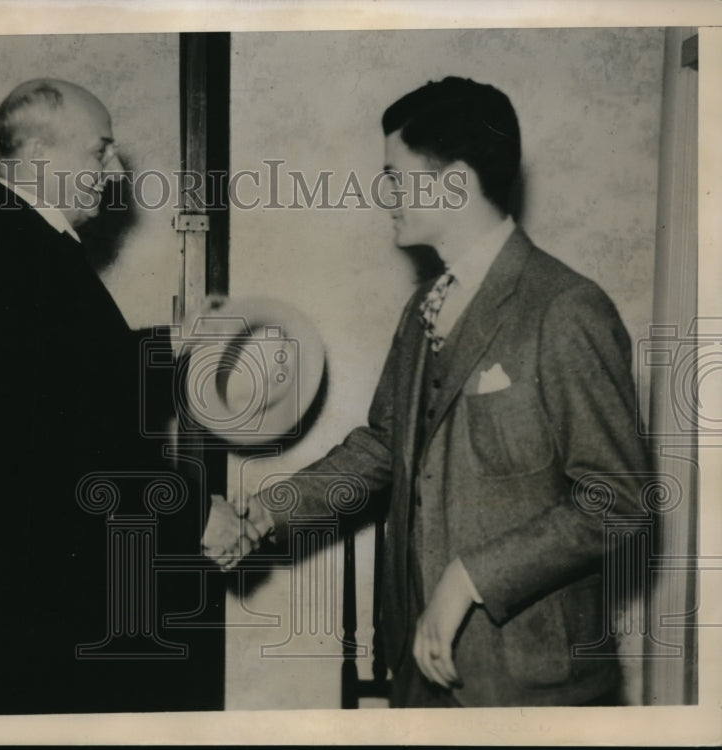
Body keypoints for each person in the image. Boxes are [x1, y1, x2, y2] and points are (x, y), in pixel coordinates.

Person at [207, 76, 650, 707]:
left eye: (395, 175)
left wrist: (472, 578)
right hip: (420, 671)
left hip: (534, 690)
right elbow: (384, 448)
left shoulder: (566, 309)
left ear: (455, 182)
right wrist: (271, 510)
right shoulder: (425, 306)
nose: (383, 193)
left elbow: (620, 501)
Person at [0, 78, 225, 714]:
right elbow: (64, 439)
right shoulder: (4, 252)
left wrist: (174, 341)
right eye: (100, 153)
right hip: (34, 590)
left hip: (32, 575)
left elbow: (69, 378)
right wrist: (196, 510)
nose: (114, 172)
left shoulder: (11, 240)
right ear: (36, 159)